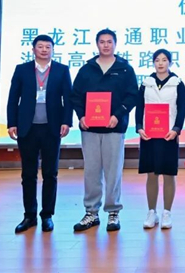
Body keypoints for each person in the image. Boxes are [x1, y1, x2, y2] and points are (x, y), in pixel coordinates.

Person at [71, 29, 139, 232]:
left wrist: (117, 115)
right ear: (97, 44)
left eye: (110, 41)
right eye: (102, 42)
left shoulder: (125, 69)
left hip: (114, 128)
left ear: (115, 44)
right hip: (90, 128)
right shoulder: (86, 69)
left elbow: (132, 96)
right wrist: (81, 116)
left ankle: (113, 212)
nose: (106, 45)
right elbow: (76, 96)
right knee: (91, 171)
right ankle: (91, 212)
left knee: (113, 171)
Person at [6, 34, 73, 233]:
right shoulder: (22, 69)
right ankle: (29, 215)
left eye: (48, 47)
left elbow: (68, 99)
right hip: (27, 127)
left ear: (53, 49)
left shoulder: (62, 70)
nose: (44, 50)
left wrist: (66, 121)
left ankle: (47, 215)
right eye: (40, 46)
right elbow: (13, 98)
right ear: (33, 49)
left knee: (50, 173)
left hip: (52, 127)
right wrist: (12, 123)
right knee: (28, 173)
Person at [135, 49, 185, 229]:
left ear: (170, 63)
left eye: (164, 60)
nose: (161, 63)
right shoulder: (146, 83)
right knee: (151, 173)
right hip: (149, 134)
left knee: (168, 173)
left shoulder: (177, 83)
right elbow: (139, 107)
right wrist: (139, 127)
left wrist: (176, 129)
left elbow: (182, 109)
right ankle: (152, 212)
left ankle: (166, 212)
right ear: (153, 63)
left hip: (168, 134)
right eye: (157, 60)